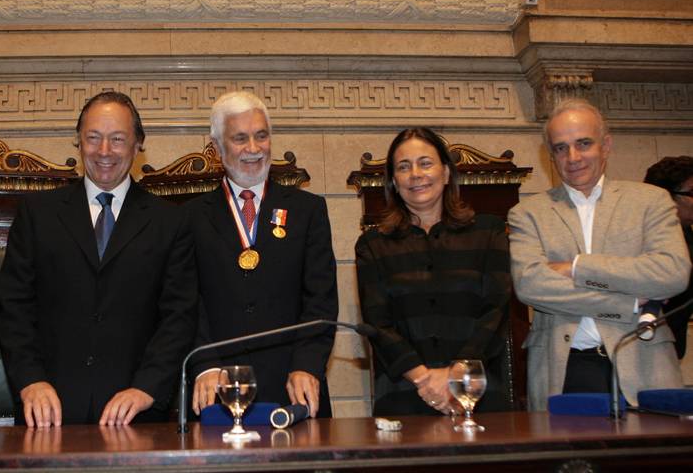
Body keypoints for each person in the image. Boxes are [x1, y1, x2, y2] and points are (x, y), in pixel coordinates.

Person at [0, 91, 197, 427]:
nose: (104, 151)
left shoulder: (171, 222)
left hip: (138, 414)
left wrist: (147, 388)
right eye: (93, 138)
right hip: (47, 414)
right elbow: (13, 308)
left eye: (118, 139)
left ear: (138, 146)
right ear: (78, 142)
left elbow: (179, 317)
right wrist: (30, 380)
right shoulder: (37, 215)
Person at [509, 98, 690, 410]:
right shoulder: (527, 213)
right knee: (572, 460)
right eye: (561, 148)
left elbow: (671, 273)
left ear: (606, 145)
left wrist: (578, 267)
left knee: (649, 460)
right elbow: (531, 284)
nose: (573, 157)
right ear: (550, 155)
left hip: (645, 362)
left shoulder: (651, 201)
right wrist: (627, 302)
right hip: (564, 369)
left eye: (584, 143)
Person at [188, 91, 338, 418]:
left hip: (294, 388)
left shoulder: (308, 210)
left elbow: (320, 301)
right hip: (217, 390)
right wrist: (204, 364)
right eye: (240, 138)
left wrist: (307, 366)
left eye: (261, 136)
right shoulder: (188, 218)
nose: (254, 149)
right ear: (216, 149)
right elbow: (184, 303)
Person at [355, 128, 511, 416]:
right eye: (404, 166)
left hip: (479, 393)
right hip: (404, 395)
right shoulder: (373, 245)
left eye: (425, 163)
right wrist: (426, 380)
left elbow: (496, 312)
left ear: (447, 173)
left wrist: (455, 373)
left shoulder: (489, 232)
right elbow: (378, 323)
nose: (415, 174)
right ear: (393, 181)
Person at [644, 156, 693, 358]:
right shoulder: (645, 241)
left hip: (672, 347)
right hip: (645, 347)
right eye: (692, 192)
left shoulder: (688, 233)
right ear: (665, 198)